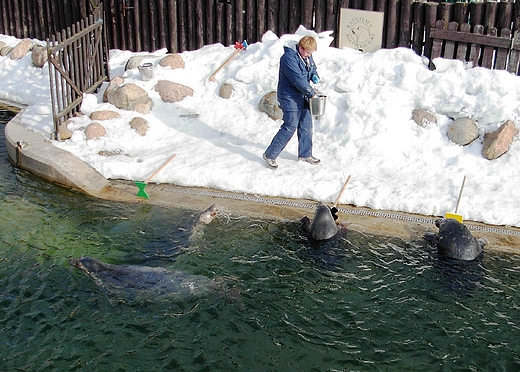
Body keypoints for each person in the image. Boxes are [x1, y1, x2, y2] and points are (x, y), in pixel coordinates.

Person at [263, 35, 321, 170]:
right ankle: (270, 155)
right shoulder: (288, 58)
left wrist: (314, 75)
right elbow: (297, 79)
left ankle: (305, 154)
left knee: (306, 124)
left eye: (311, 53)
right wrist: (311, 92)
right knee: (290, 126)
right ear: (300, 48)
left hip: (303, 95)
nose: (309, 55)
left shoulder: (306, 55)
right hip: (289, 96)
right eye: (307, 52)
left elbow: (311, 67)